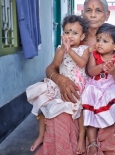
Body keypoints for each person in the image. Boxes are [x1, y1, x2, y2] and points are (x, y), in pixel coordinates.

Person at [42, 0, 115, 155]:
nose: (93, 15)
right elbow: (51, 68)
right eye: (88, 10)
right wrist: (60, 79)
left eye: (98, 11)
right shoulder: (74, 38)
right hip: (77, 97)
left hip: (107, 96)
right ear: (83, 14)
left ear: (107, 14)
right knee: (59, 121)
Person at [26, 15, 89, 154]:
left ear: (82, 36)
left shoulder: (84, 49)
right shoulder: (61, 48)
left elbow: (82, 63)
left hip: (77, 85)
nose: (70, 36)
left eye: (75, 33)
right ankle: (41, 136)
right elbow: (55, 64)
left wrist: (70, 51)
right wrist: (62, 50)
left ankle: (81, 139)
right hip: (60, 85)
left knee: (81, 112)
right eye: (67, 32)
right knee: (46, 106)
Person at [81, 23, 115, 155]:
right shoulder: (93, 55)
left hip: (111, 84)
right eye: (98, 40)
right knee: (89, 109)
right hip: (95, 86)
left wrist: (113, 71)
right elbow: (91, 71)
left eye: (105, 41)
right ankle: (92, 142)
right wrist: (102, 67)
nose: (99, 43)